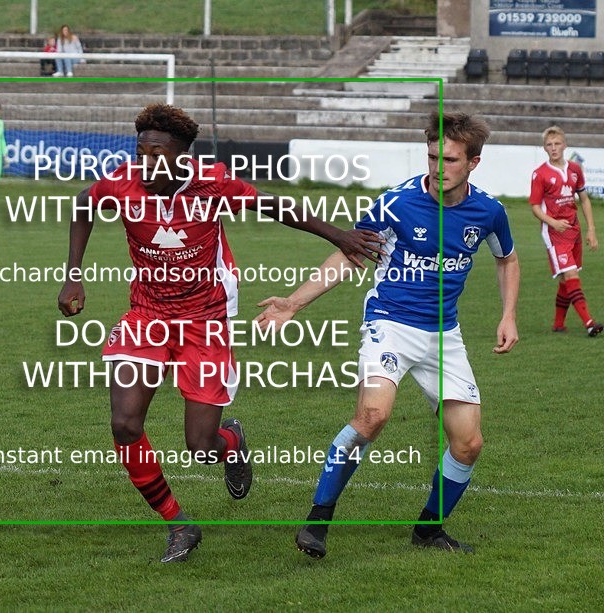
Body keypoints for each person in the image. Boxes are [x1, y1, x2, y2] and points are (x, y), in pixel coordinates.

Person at [57, 103, 383, 563]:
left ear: (182, 157)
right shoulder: (123, 181)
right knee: (124, 423)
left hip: (205, 319)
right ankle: (178, 524)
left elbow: (275, 206)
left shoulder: (212, 183)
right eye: (140, 152)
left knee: (201, 446)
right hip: (147, 314)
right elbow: (83, 205)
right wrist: (73, 274)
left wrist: (338, 236)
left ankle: (231, 445)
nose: (145, 164)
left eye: (157, 155)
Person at [256, 112, 520, 557]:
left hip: (444, 334)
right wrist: (294, 303)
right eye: (433, 157)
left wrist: (508, 314)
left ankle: (428, 530)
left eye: (450, 159)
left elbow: (507, 259)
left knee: (468, 443)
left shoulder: (490, 212)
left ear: (474, 162)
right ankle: (317, 521)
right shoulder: (396, 203)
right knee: (372, 417)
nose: (438, 167)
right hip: (390, 323)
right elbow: (350, 254)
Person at [529, 126, 601, 337]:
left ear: (565, 145)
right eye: (549, 145)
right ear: (544, 148)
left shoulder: (575, 169)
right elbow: (535, 207)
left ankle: (558, 324)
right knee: (571, 274)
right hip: (554, 234)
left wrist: (591, 230)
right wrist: (553, 222)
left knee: (566, 280)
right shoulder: (540, 174)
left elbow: (584, 200)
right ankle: (589, 323)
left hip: (574, 230)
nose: (553, 148)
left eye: (557, 144)